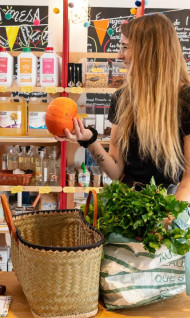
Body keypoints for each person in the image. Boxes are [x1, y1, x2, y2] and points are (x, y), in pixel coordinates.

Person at [56, 13, 190, 204]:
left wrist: (167, 219)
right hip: (127, 203)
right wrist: (88, 139)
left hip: (170, 203)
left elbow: (188, 180)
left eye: (125, 47)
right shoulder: (122, 98)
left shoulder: (185, 99)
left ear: (148, 51)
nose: (119, 55)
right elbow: (116, 172)